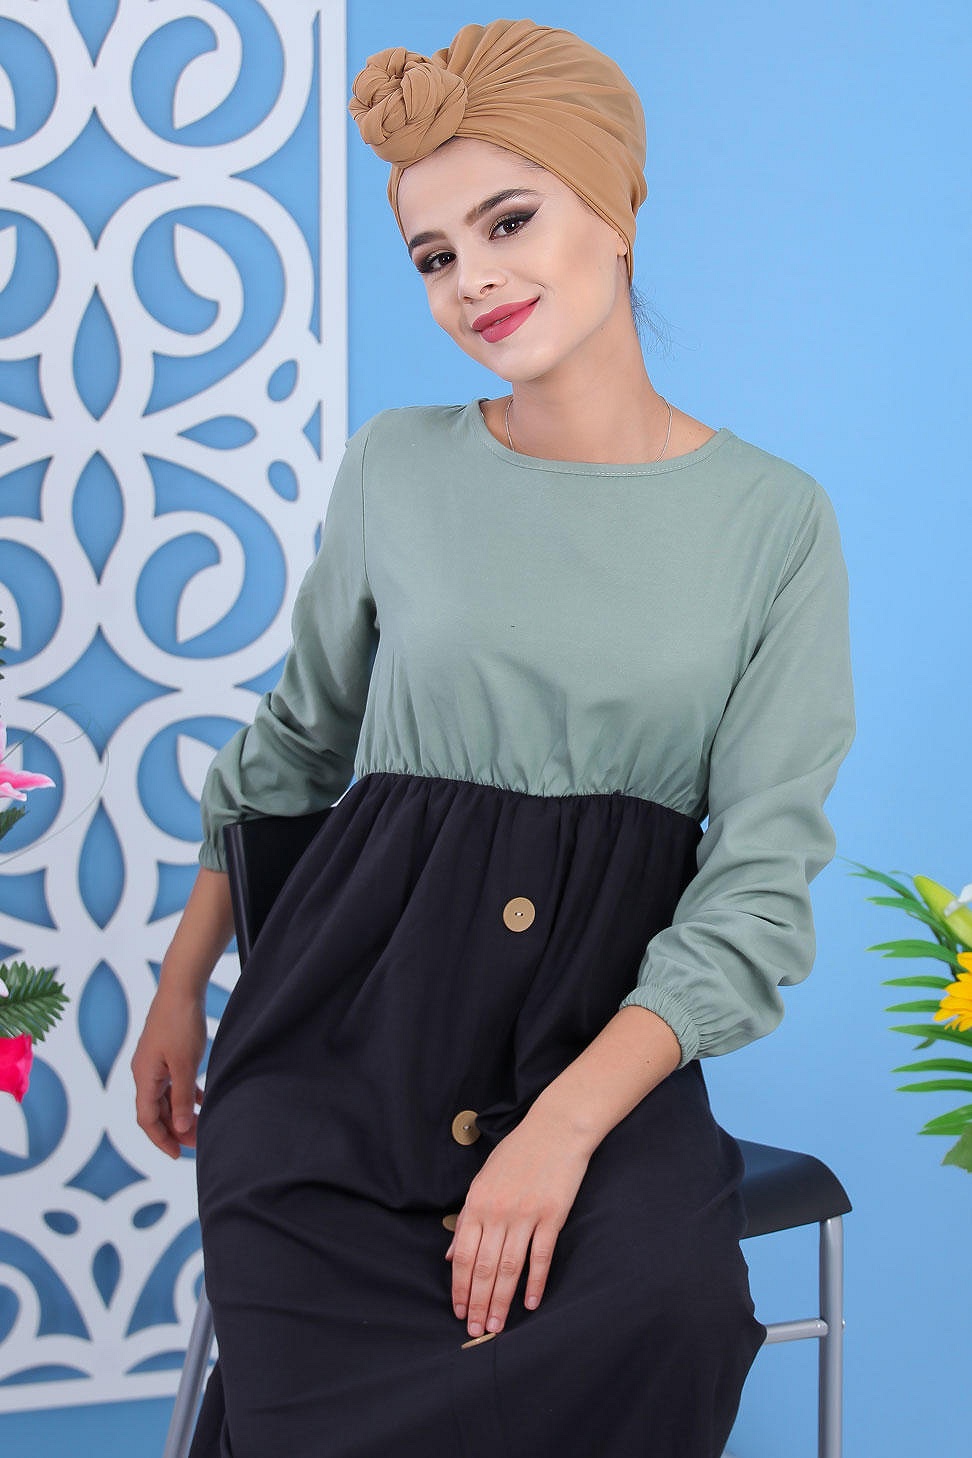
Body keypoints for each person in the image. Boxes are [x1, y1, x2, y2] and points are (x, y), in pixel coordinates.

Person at [132, 18, 855, 1458]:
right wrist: (181, 983)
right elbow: (297, 743)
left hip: (596, 1043)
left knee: (668, 1309)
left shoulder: (774, 522)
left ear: (619, 205)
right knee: (324, 1350)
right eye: (434, 254)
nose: (472, 281)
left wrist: (565, 1129)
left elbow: (759, 885)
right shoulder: (397, 465)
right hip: (348, 1028)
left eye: (507, 222)